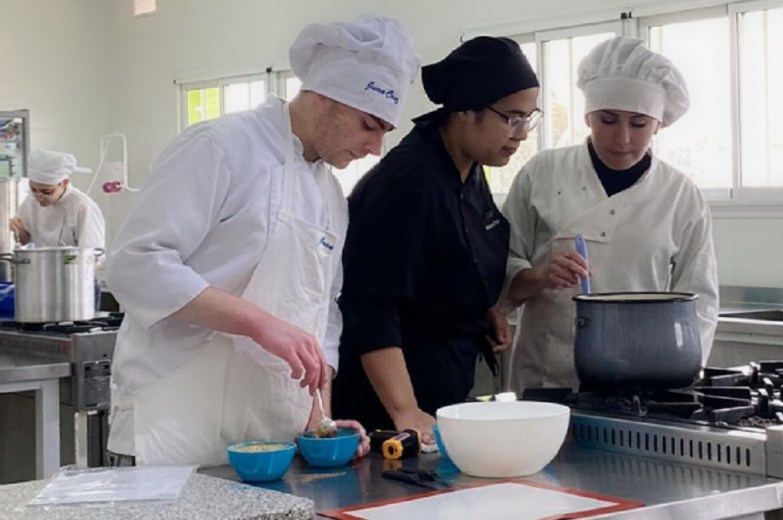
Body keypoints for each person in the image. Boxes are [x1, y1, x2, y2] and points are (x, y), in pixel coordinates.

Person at [104, 15, 421, 466]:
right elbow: (135, 264)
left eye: (384, 132)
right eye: (369, 124)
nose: (375, 148)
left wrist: (319, 420)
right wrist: (259, 323)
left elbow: (321, 315)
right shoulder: (220, 147)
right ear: (324, 98)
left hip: (270, 441)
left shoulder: (330, 195)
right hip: (175, 427)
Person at [332, 36, 540, 444]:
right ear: (465, 110)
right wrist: (404, 410)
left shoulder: (469, 168)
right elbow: (370, 305)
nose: (522, 134)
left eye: (529, 119)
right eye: (511, 118)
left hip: (440, 398)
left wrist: (482, 309)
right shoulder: (410, 182)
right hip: (386, 417)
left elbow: (449, 261)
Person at [502, 36, 719, 394]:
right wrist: (539, 275)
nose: (622, 137)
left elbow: (700, 303)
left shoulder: (680, 195)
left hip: (643, 380)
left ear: (659, 124)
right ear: (588, 116)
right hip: (546, 376)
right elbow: (499, 264)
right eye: (607, 120)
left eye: (639, 124)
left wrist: (678, 378)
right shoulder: (543, 173)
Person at [9, 148, 105, 251]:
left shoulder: (82, 206)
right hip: (41, 264)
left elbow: (92, 254)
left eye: (47, 192)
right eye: (33, 189)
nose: (39, 196)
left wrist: (61, 261)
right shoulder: (31, 201)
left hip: (72, 265)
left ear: (64, 183)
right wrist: (18, 229)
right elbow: (24, 240)